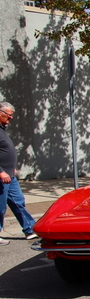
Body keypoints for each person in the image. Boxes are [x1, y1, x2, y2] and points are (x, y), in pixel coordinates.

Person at [0, 101, 37, 245]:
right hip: (2, 176)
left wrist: (11, 168)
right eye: (8, 116)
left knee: (18, 202)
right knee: (1, 207)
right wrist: (1, 172)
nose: (11, 119)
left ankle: (30, 229)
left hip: (10, 175)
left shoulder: (2, 129)